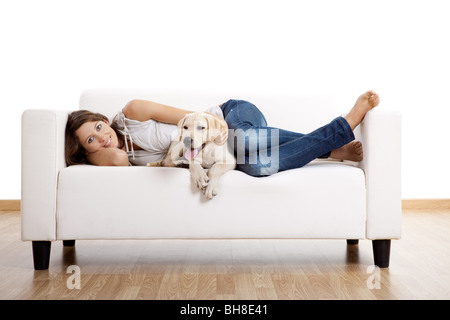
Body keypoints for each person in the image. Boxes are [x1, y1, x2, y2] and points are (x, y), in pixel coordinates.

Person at [65, 91, 379, 177]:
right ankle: (331, 150)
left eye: (98, 126)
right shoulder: (120, 157)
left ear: (104, 119)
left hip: (229, 116)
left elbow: (193, 118)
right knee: (257, 167)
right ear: (86, 152)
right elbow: (117, 160)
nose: (102, 136)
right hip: (228, 150)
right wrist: (99, 151)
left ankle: (345, 124)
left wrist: (217, 131)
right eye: (90, 140)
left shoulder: (134, 111)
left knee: (243, 142)